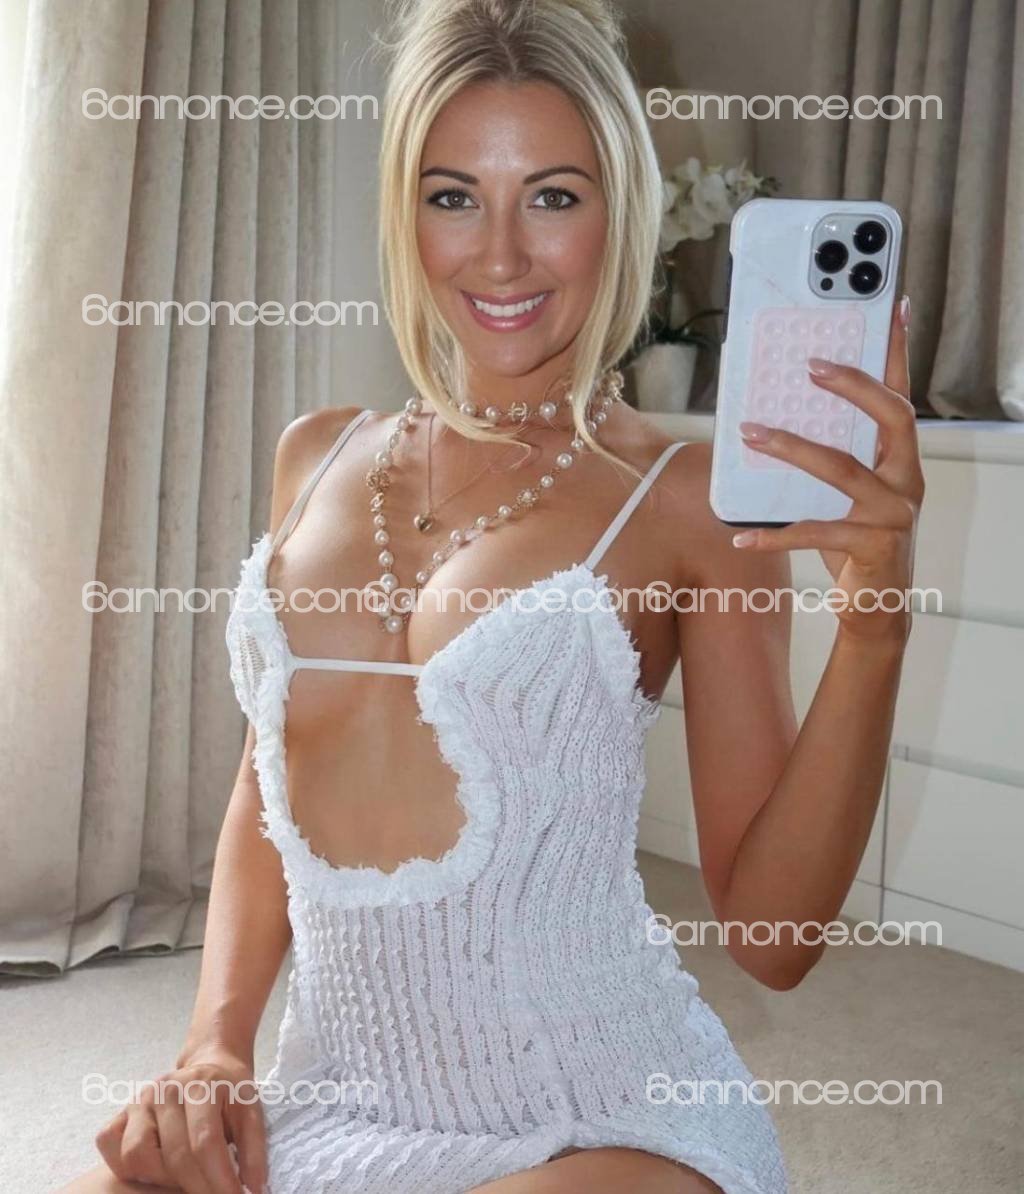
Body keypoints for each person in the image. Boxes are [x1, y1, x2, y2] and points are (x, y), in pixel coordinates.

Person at [63, 0, 922, 1191]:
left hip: (599, 1115)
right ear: (403, 210)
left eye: (553, 197)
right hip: (340, 1096)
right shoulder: (315, 454)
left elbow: (773, 941)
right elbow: (271, 787)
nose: (501, 255)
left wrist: (874, 628)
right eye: (453, 195)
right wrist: (213, 1046)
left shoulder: (681, 504)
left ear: (620, 211)